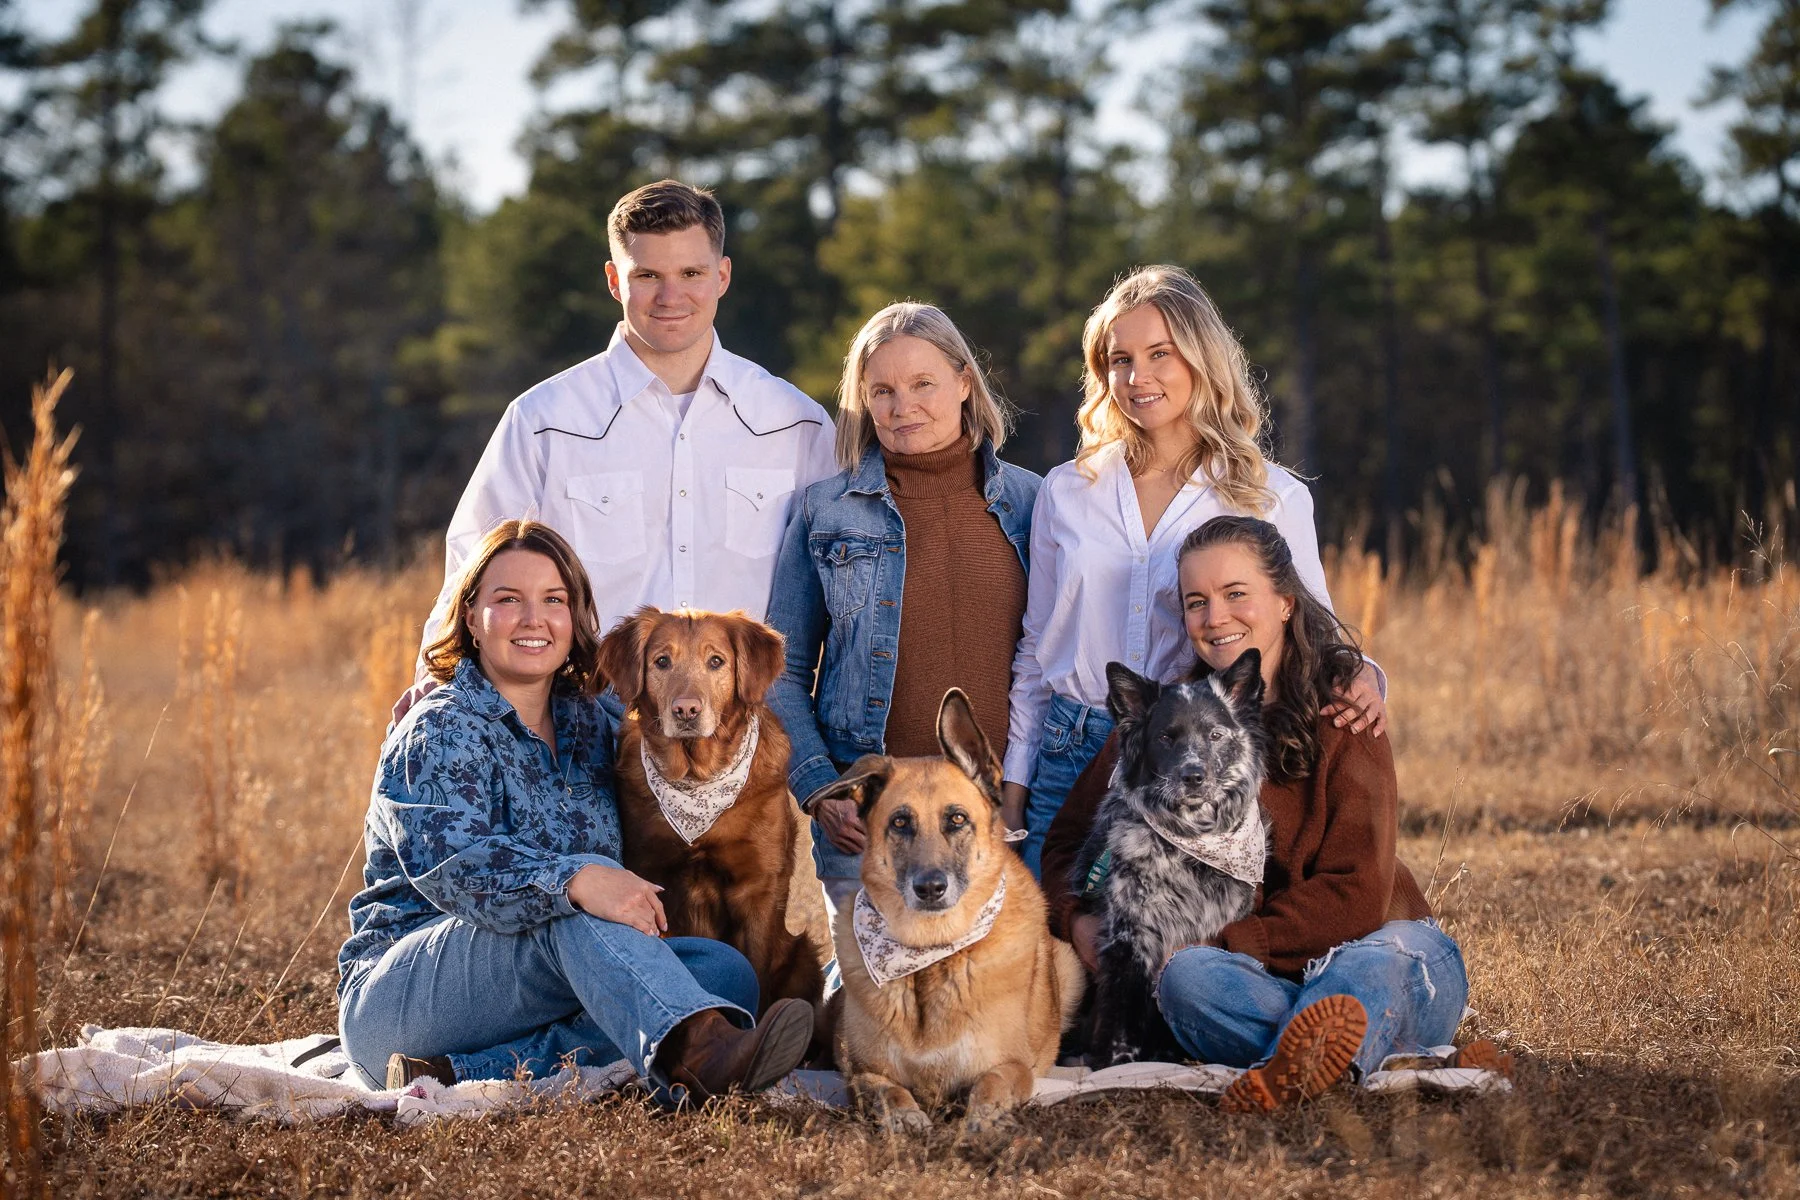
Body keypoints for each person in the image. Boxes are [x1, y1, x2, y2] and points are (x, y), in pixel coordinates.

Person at [340, 520, 814, 1102]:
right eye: (507, 600)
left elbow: (682, 732)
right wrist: (578, 879)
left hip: (539, 986)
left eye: (554, 600)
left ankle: (450, 1074)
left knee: (723, 975)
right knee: (580, 899)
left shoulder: (595, 725)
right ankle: (699, 1056)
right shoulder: (439, 729)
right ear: (470, 617)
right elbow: (457, 872)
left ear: (575, 618)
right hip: (406, 994)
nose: (533, 618)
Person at [1041, 516, 1461, 1112]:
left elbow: (1360, 894)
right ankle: (1331, 1061)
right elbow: (1065, 844)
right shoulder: (1163, 721)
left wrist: (1234, 936)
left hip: (1380, 948)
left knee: (1369, 968)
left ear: (1285, 603)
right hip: (1247, 980)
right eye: (1196, 602)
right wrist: (1080, 919)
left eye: (1236, 594)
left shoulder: (1343, 715)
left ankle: (1310, 1050)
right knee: (1187, 981)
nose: (1216, 618)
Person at [1001, 265, 1386, 877]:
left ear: (1201, 359)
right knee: (1058, 954)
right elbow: (1035, 648)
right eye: (1119, 359)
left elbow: (1311, 630)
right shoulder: (1067, 490)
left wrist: (1366, 676)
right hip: (1069, 752)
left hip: (1194, 755)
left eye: (1161, 353)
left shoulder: (1270, 497)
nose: (1138, 377)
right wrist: (1015, 778)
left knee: (1167, 958)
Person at [406, 180, 837, 717]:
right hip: (588, 739)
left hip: (747, 750)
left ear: (722, 275)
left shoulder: (796, 425)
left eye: (691, 274)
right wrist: (433, 688)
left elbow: (843, 589)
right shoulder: (544, 422)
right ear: (614, 280)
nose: (670, 296)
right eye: (648, 275)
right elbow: (471, 572)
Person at [765, 303, 1041, 907]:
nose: (901, 406)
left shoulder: (1035, 502)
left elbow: (1054, 660)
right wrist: (820, 787)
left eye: (923, 384)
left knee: (1002, 994)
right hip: (869, 821)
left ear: (965, 382)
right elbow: (778, 670)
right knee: (875, 994)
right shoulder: (824, 512)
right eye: (882, 390)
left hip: (1003, 814)